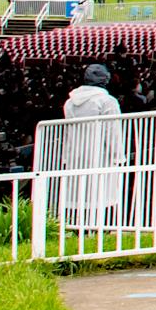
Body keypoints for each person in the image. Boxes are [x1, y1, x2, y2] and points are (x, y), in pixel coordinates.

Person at [59, 61, 126, 230]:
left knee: (79, 194)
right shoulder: (107, 101)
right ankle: (99, 229)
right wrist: (118, 156)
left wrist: (66, 157)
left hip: (75, 156)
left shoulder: (70, 102)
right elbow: (113, 131)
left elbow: (67, 133)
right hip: (100, 155)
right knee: (101, 195)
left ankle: (78, 228)